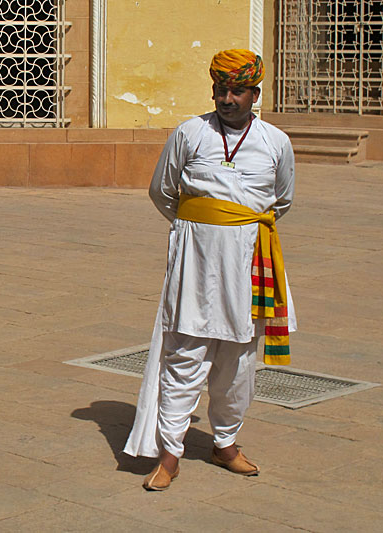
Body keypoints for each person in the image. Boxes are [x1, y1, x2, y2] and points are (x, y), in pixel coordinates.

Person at [123, 49, 297, 491]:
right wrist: (200, 230)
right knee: (185, 356)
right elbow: (162, 191)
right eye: (221, 88)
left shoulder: (275, 141)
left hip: (249, 265)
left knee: (237, 363)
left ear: (254, 94)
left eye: (237, 90)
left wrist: (234, 232)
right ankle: (169, 454)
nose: (227, 97)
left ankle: (226, 444)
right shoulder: (189, 132)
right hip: (194, 266)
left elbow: (283, 200)